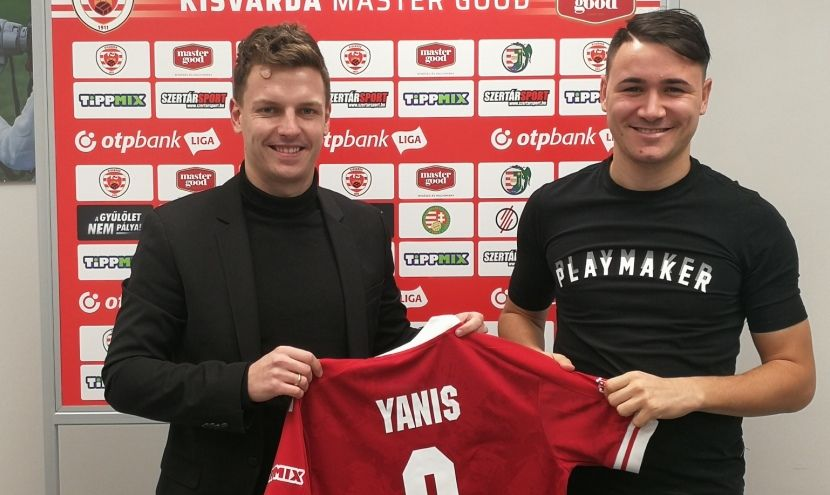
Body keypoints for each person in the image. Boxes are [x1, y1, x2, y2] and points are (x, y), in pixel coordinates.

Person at [102, 23, 485, 495]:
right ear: (237, 115)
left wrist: (447, 342)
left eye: (307, 110)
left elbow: (388, 350)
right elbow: (126, 376)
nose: (290, 128)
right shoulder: (177, 231)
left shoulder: (363, 226)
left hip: (343, 480)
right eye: (269, 109)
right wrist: (243, 382)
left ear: (327, 120)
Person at [499, 9, 815, 495]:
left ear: (703, 97)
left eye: (674, 89)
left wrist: (689, 391)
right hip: (569, 475)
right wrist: (536, 363)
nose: (651, 109)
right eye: (632, 88)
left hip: (697, 481)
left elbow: (795, 377)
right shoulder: (552, 207)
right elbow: (520, 314)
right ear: (604, 91)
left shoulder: (751, 222)